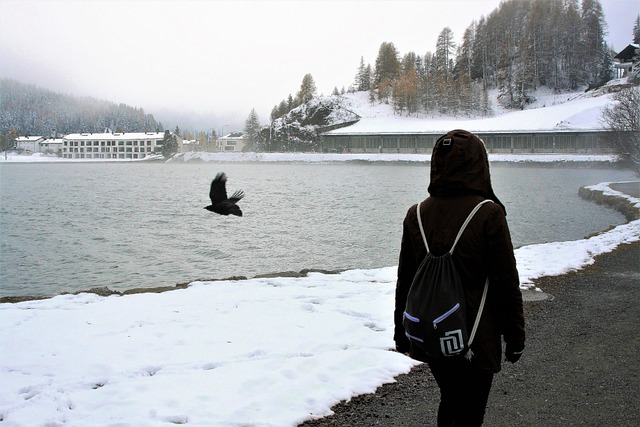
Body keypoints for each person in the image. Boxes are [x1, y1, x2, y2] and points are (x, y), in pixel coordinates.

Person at [394, 129, 525, 426]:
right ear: (479, 164)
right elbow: (506, 282)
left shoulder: (416, 213)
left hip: (432, 332)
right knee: (469, 411)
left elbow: (406, 280)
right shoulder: (488, 213)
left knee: (451, 399)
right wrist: (515, 337)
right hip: (476, 335)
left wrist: (401, 332)